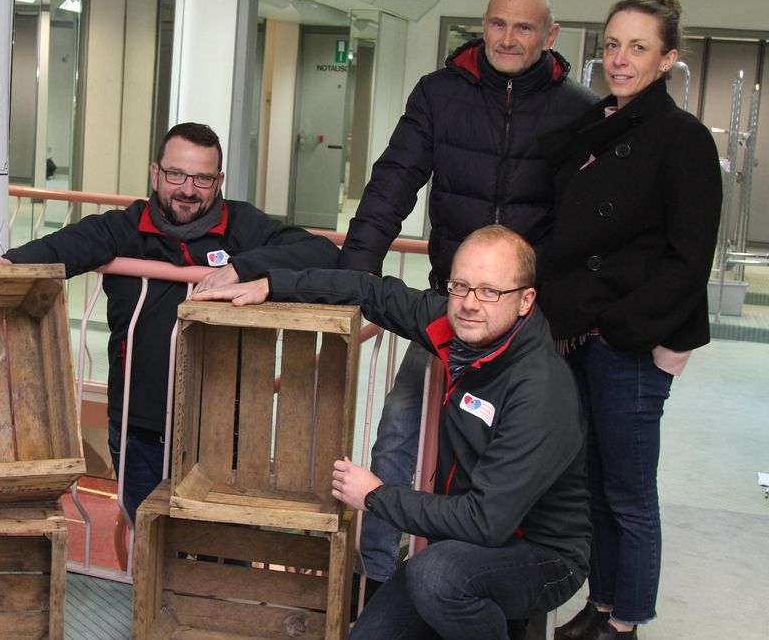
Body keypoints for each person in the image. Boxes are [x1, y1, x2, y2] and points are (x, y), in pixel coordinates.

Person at [193, 225, 590, 640]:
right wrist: (272, 284)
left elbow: (486, 521)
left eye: (490, 291)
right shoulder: (457, 327)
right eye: (461, 286)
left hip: (542, 554)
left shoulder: (540, 389)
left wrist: (374, 496)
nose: (470, 304)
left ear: (525, 301)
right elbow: (369, 292)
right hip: (465, 543)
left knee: (434, 574)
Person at [337, 0, 596, 592]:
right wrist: (353, 281)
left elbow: (589, 223)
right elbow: (391, 186)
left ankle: (497, 575)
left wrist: (575, 316)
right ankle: (376, 576)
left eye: (524, 28)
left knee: (528, 449)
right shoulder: (439, 93)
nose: (507, 38)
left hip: (536, 320)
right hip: (456, 310)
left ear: (550, 36)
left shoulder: (580, 110)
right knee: (401, 426)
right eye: (497, 24)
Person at [0, 122, 339, 519]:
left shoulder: (244, 227)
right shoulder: (124, 227)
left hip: (221, 433)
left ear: (219, 181)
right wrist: (11, 264)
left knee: (220, 550)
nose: (188, 188)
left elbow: (321, 252)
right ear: (155, 174)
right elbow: (71, 243)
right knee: (146, 544)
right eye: (176, 174)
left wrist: (242, 268)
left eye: (203, 178)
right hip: (137, 428)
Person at [537, 0, 722, 640]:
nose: (620, 59)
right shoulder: (596, 127)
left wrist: (620, 329)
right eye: (612, 44)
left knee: (629, 494)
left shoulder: (683, 139)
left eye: (639, 47)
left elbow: (688, 256)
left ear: (668, 59)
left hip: (628, 341)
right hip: (578, 333)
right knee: (590, 486)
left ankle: (625, 625)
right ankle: (602, 604)